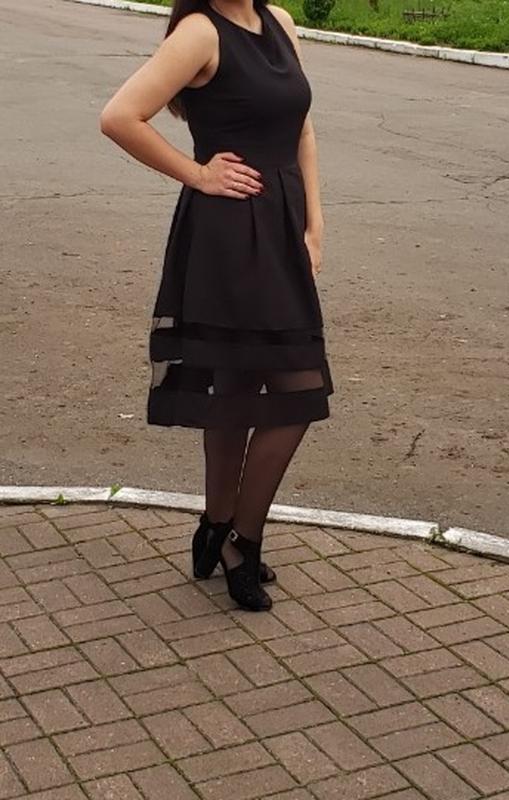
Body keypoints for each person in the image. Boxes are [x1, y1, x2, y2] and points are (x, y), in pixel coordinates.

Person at [100, 0, 334, 612]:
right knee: (296, 390)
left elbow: (302, 130)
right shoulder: (201, 32)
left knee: (242, 384)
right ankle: (240, 540)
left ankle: (215, 525)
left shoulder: (279, 21)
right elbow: (120, 116)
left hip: (279, 225)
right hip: (229, 231)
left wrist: (314, 224)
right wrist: (198, 174)